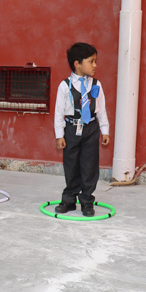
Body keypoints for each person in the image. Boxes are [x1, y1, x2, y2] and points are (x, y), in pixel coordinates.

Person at [54, 43, 110, 217]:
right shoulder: (65, 86)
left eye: (95, 61)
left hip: (91, 129)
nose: (95, 65)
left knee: (89, 165)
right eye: (91, 61)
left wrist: (105, 130)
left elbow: (101, 109)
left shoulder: (96, 84)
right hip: (72, 128)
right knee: (71, 164)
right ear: (77, 63)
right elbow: (59, 112)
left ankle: (86, 200)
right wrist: (59, 135)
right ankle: (69, 199)